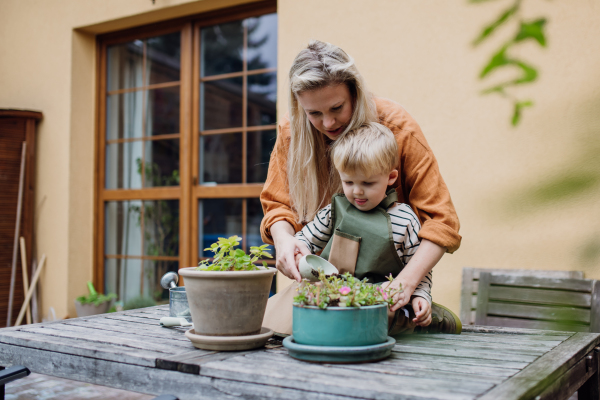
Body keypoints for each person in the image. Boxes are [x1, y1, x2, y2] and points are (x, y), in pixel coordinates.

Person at [260, 40, 461, 333]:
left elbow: (441, 222)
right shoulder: (291, 132)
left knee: (339, 329)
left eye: (336, 108)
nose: (327, 123)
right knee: (268, 326)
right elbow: (278, 205)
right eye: (313, 113)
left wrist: (405, 287)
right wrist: (285, 241)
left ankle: (423, 319)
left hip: (382, 285)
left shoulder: (398, 127)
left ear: (355, 91)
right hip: (325, 284)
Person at [294, 122, 432, 331]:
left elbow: (418, 267)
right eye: (348, 182)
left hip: (378, 302)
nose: (357, 192)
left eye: (367, 184)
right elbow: (304, 240)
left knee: (384, 309)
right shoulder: (334, 212)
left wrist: (421, 296)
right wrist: (298, 254)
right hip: (333, 297)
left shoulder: (404, 219)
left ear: (391, 178)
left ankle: (437, 318)